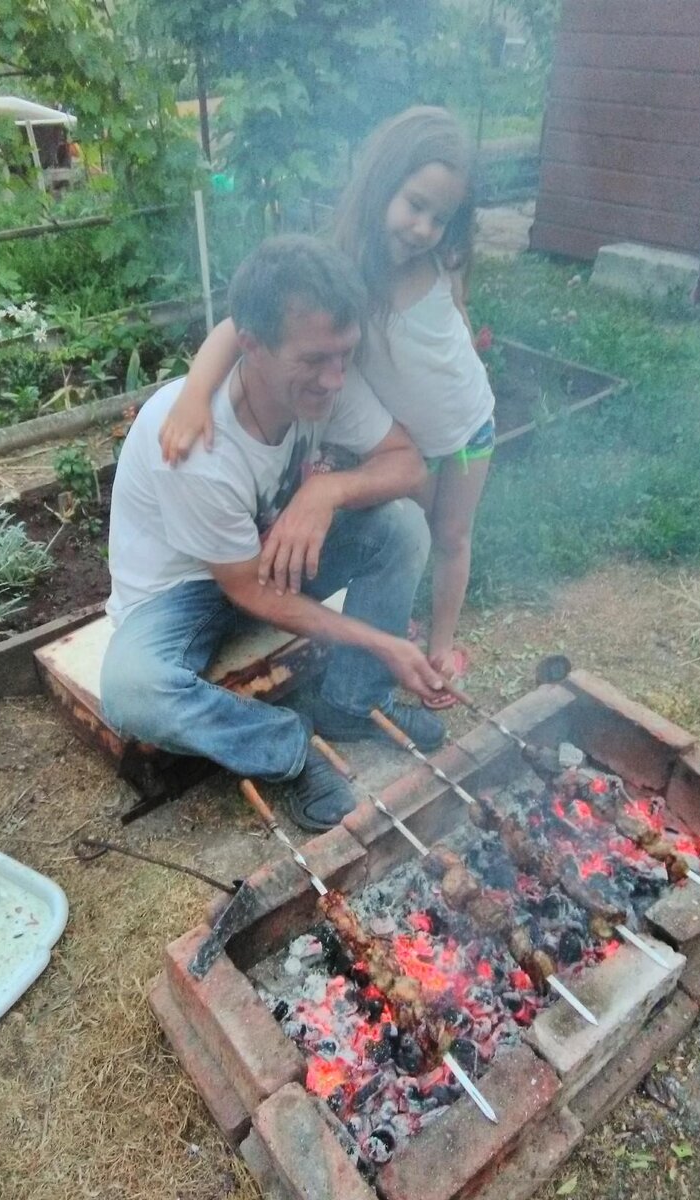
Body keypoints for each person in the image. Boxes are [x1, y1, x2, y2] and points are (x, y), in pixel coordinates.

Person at [100, 235, 447, 832]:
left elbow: (408, 465)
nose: (335, 379)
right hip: (184, 593)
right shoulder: (195, 447)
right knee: (133, 691)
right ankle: (288, 750)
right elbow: (249, 594)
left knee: (401, 525)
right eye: (314, 360)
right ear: (251, 348)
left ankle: (351, 702)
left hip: (261, 560)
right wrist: (383, 642)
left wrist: (326, 491)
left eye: (345, 354)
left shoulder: (326, 382)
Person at [159, 107, 495, 709]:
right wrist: (192, 393)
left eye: (439, 218)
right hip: (405, 430)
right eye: (414, 205)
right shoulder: (340, 268)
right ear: (380, 185)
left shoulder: (438, 265)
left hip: (467, 425)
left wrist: (462, 358)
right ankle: (387, 646)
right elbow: (241, 327)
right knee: (404, 530)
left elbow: (453, 325)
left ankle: (438, 648)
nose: (422, 228)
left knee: (450, 536)